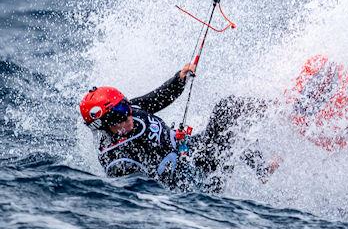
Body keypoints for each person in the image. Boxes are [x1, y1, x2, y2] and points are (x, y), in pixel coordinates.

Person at [79, 63, 278, 191]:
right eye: (119, 113)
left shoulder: (132, 110)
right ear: (103, 125)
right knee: (227, 119)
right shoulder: (116, 160)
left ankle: (280, 109)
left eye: (125, 105)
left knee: (226, 110)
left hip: (195, 149)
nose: (127, 114)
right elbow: (147, 194)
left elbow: (159, 98)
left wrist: (179, 79)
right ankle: (266, 164)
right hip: (199, 179)